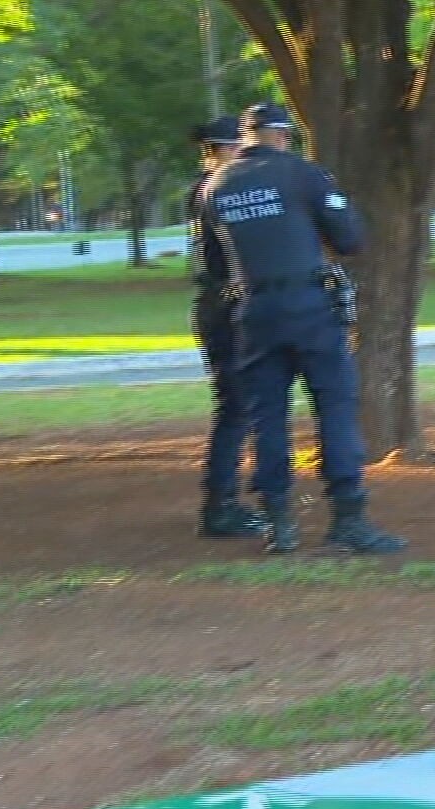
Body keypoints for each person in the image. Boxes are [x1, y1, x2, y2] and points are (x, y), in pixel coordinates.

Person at [196, 102, 405, 555]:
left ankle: (279, 523)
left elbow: (214, 264)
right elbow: (350, 239)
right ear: (282, 136)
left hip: (253, 311)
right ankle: (348, 518)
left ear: (246, 137)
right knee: (334, 406)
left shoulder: (214, 187)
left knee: (267, 416)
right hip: (309, 307)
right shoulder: (302, 174)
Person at [189, 116, 265, 539]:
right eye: (236, 148)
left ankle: (228, 499)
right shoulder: (214, 190)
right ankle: (220, 506)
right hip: (224, 305)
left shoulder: (210, 189)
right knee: (236, 406)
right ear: (216, 151)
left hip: (220, 303)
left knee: (240, 406)